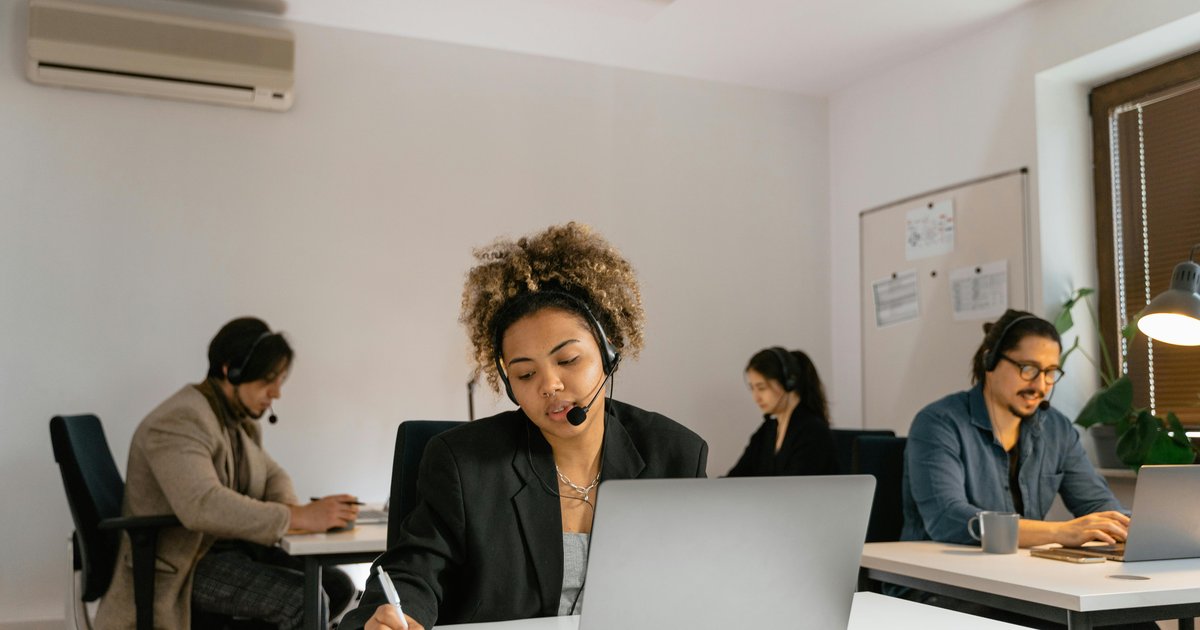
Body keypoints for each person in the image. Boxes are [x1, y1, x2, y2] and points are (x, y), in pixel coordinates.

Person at [342, 222, 709, 630]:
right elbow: (413, 569)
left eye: (568, 361)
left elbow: (702, 582)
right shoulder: (465, 463)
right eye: (525, 374)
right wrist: (398, 614)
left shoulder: (676, 453)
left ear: (608, 355)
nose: (549, 385)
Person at [94, 317, 358, 630]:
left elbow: (273, 474)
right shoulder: (181, 420)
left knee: (337, 585)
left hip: (225, 550)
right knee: (304, 601)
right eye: (267, 380)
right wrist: (298, 518)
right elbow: (202, 504)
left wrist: (297, 511)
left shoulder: (236, 419)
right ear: (230, 370)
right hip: (185, 564)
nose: (276, 393)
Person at [902, 309, 1128, 548]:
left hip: (1017, 573)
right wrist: (1059, 532)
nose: (1040, 385)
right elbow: (947, 518)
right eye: (1028, 368)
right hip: (936, 577)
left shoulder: (1057, 429)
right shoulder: (939, 423)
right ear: (990, 360)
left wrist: (1138, 528)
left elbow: (1098, 505)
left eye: (1050, 372)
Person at [728, 347, 838, 476]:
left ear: (788, 383)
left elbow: (796, 489)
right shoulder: (767, 430)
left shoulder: (813, 432)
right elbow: (736, 477)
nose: (756, 397)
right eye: (752, 388)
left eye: (762, 388)